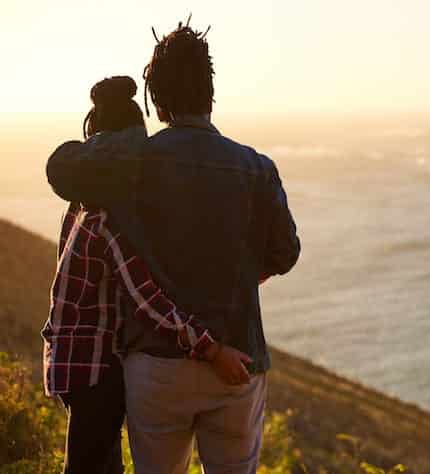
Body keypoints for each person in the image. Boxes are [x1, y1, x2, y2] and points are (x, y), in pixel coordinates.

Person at [45, 21, 300, 474]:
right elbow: (286, 253)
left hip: (155, 367)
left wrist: (114, 142)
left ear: (156, 101)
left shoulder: (128, 165)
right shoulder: (257, 168)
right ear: (210, 93)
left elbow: (64, 170)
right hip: (238, 361)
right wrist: (245, 267)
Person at [42, 76, 245, 473]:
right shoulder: (107, 218)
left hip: (70, 364)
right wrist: (211, 349)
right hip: (96, 371)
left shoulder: (79, 206)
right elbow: (146, 297)